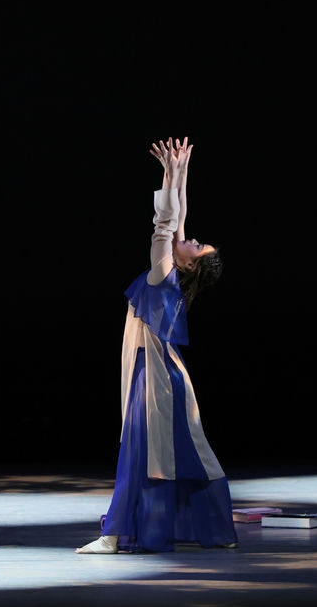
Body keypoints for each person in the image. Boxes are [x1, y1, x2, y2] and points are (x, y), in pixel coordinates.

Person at [76, 136, 238, 554]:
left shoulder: (163, 274)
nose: (192, 238)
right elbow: (177, 218)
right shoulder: (172, 276)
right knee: (175, 451)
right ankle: (208, 529)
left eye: (197, 246)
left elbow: (165, 224)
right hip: (163, 373)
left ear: (189, 263)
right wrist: (178, 171)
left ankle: (116, 535)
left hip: (156, 379)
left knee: (147, 454)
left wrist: (168, 174)